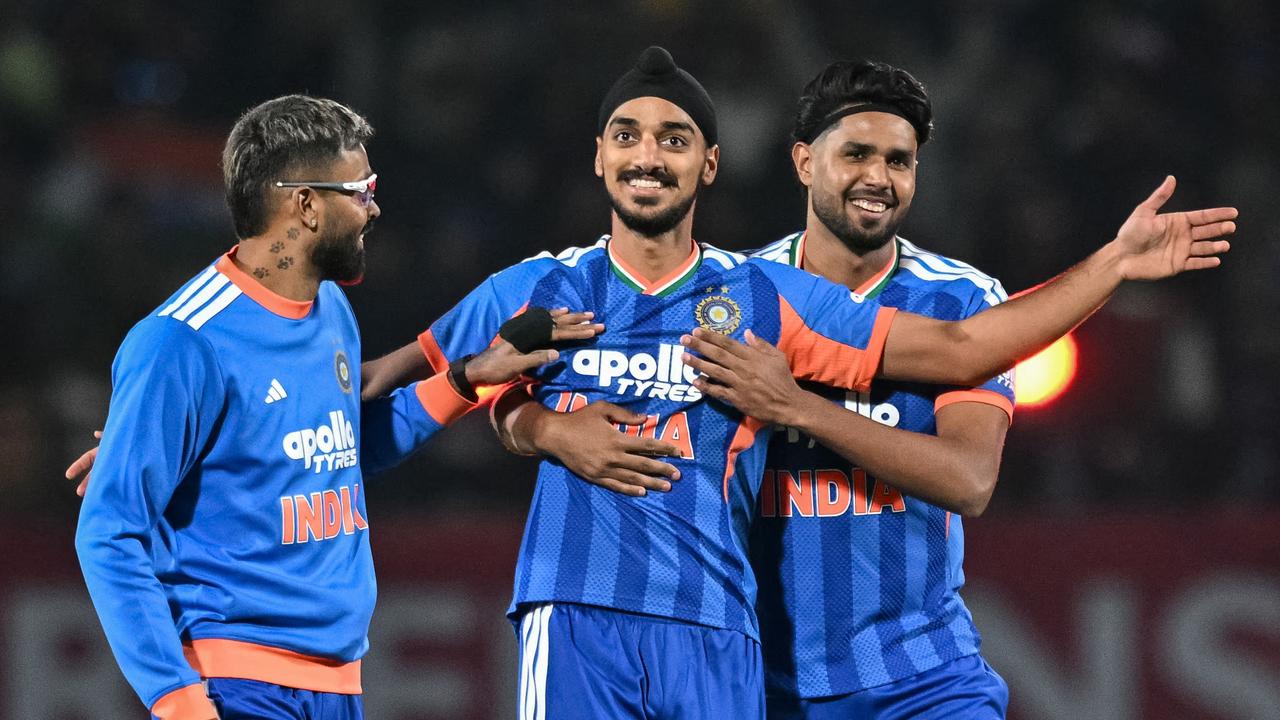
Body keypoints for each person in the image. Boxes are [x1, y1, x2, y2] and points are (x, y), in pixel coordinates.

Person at [356, 46, 1233, 719]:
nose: (878, 179)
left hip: (877, 669)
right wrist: (522, 416)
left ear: (710, 164)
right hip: (704, 654)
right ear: (802, 162)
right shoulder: (597, 288)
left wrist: (1112, 264)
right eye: (627, 136)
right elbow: (411, 390)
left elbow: (968, 414)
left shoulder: (802, 298)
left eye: (900, 160)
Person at [73, 94, 595, 720]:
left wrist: (467, 380)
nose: (375, 207)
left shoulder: (330, 312)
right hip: (234, 685)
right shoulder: (182, 341)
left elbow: (344, 449)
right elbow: (108, 533)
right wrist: (179, 701)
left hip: (337, 684)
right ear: (304, 203)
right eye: (362, 188)